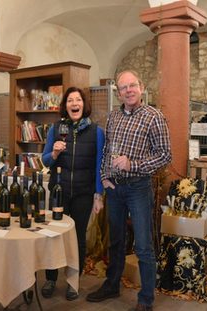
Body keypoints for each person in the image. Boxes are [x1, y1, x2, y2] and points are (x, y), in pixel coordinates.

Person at [86, 70, 171, 311]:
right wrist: (104, 177)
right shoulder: (113, 117)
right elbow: (106, 152)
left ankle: (146, 299)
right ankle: (112, 285)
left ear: (141, 87)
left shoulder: (154, 117)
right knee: (116, 241)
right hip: (115, 189)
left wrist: (133, 164)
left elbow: (165, 155)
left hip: (138, 188)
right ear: (119, 93)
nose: (128, 90)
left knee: (143, 245)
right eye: (123, 88)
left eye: (132, 85)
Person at [41, 86, 105, 301]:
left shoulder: (96, 131)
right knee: (54, 235)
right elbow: (45, 160)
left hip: (83, 193)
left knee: (77, 238)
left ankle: (73, 281)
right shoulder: (55, 128)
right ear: (65, 105)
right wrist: (55, 152)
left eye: (78, 100)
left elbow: (99, 165)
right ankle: (50, 278)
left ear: (83, 105)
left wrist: (98, 194)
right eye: (70, 100)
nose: (74, 104)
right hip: (59, 191)